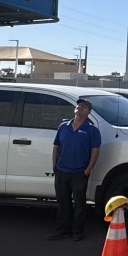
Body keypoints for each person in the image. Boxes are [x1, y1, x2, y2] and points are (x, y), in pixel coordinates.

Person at [46, 99, 101, 241]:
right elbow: (56, 147)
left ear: (89, 112)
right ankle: (62, 229)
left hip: (79, 172)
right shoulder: (63, 126)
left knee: (79, 203)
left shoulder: (92, 130)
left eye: (84, 106)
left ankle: (77, 231)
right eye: (78, 105)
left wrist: (87, 170)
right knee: (63, 201)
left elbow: (95, 151)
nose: (80, 107)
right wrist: (55, 166)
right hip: (62, 170)